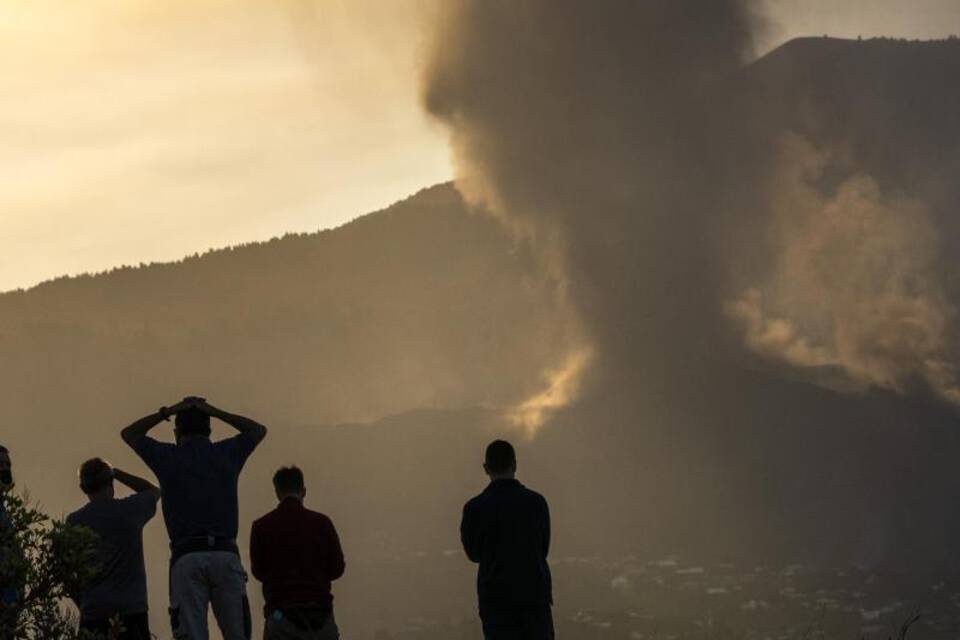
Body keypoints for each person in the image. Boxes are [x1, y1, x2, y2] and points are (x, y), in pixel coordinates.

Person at [121, 396, 268, 640]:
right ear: (209, 430)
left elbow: (130, 434)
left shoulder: (167, 457)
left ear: (177, 432)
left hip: (186, 557)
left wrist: (168, 410)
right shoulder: (227, 453)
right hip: (225, 554)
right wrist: (215, 410)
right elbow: (257, 430)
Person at [461, 440, 554, 640]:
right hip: (534, 598)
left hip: (496, 602)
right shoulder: (536, 503)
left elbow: (473, 554)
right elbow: (543, 549)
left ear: (486, 468)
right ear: (515, 465)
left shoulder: (474, 508)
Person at [66, 458, 160, 640]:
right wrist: (115, 472)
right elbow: (153, 491)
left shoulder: (74, 522)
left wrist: (84, 603)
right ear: (111, 482)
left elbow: (65, 572)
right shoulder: (130, 510)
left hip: (94, 612)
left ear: (84, 488)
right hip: (132, 610)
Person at [250, 466, 344, 640]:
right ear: (304, 491)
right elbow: (337, 568)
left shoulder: (261, 526)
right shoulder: (322, 523)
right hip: (321, 618)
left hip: (280, 616)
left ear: (277, 493)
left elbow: (258, 572)